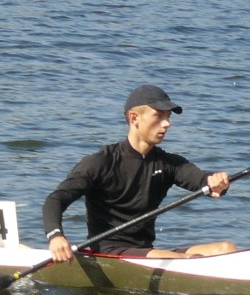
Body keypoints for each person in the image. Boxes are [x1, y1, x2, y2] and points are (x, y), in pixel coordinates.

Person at [42, 84, 237, 263]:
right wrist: (56, 236)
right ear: (134, 118)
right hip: (109, 251)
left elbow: (201, 180)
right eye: (159, 116)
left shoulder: (168, 163)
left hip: (145, 251)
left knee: (227, 249)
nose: (167, 123)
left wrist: (216, 181)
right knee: (192, 261)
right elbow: (55, 199)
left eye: (168, 117)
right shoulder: (101, 162)